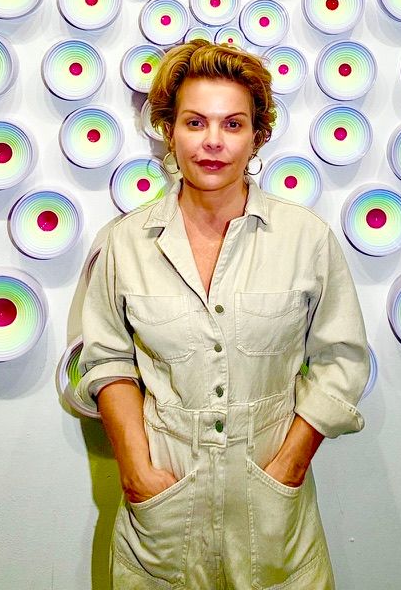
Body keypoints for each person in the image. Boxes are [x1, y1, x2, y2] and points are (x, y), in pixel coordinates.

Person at [74, 38, 370, 589]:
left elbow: (342, 359)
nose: (213, 142)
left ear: (258, 136)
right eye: (195, 122)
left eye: (233, 124)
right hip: (162, 514)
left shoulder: (306, 239)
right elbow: (107, 361)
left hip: (275, 519)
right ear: (169, 131)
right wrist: (136, 470)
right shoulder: (124, 244)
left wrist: (290, 465)